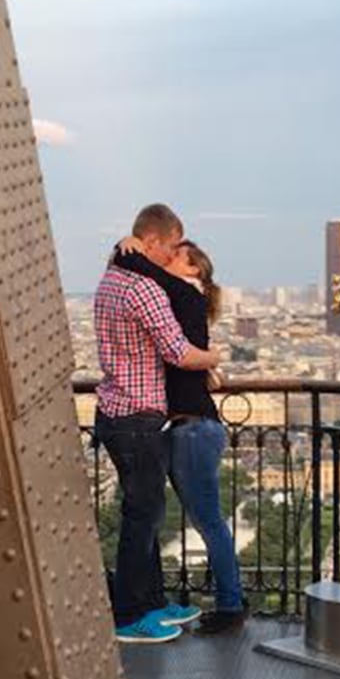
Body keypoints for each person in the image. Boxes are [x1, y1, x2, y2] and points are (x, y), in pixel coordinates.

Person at [94, 203, 221, 644]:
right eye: (168, 247)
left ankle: (149, 602)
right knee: (143, 515)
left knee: (144, 511)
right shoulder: (145, 290)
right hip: (140, 414)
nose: (171, 255)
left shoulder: (110, 279)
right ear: (151, 242)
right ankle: (130, 614)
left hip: (112, 411)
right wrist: (214, 359)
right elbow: (179, 352)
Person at [113, 237, 247, 633]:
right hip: (188, 427)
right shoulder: (183, 304)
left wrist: (130, 249)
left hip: (192, 429)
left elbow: (146, 272)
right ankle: (230, 600)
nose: (168, 261)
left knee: (207, 520)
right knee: (200, 518)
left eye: (177, 257)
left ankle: (230, 606)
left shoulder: (185, 295)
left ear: (194, 272)